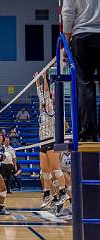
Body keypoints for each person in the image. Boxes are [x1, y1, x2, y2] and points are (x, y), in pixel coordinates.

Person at [62, 0, 100, 141]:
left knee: (84, 85)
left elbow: (68, 12)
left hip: (82, 36)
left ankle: (88, 133)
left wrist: (66, 42)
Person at [36, 72, 69, 208]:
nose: (44, 99)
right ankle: (47, 195)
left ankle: (63, 193)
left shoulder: (50, 108)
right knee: (44, 172)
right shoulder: (42, 109)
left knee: (56, 170)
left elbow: (45, 91)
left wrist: (44, 78)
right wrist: (37, 81)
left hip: (50, 140)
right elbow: (40, 93)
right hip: (43, 142)